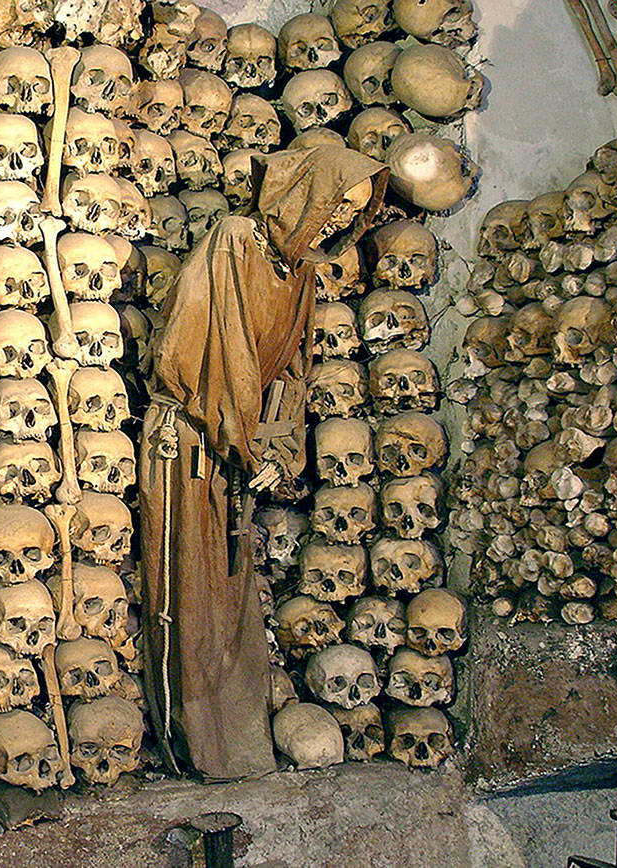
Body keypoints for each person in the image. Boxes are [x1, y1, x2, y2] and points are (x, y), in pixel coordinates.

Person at [138, 145, 387, 780]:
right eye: (336, 206)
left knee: (230, 599)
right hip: (192, 444)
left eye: (353, 215)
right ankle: (192, 743)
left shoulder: (300, 271)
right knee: (189, 596)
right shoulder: (236, 242)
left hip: (236, 452)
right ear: (305, 193)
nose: (337, 223)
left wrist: (278, 446)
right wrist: (246, 445)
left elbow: (293, 371)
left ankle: (232, 743)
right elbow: (217, 356)